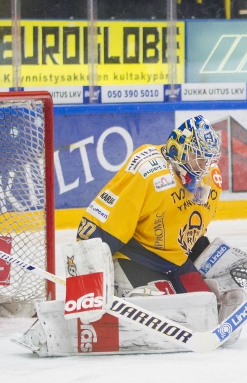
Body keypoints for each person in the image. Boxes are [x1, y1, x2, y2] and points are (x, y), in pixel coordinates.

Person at [76, 115, 224, 297]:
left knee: (206, 307)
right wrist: (85, 276)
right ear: (178, 149)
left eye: (208, 160)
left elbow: (192, 225)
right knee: (165, 312)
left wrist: (199, 249)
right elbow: (107, 219)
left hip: (176, 262)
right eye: (198, 157)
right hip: (137, 258)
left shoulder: (210, 179)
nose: (203, 167)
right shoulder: (148, 170)